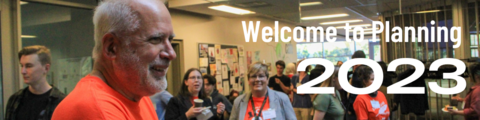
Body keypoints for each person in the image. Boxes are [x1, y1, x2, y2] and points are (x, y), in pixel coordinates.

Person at [51, 0, 176, 119]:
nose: (171, 54)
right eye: (155, 39)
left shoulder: (136, 95)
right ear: (112, 48)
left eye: (170, 40)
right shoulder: (97, 109)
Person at [5, 45, 66, 120]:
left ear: (46, 68)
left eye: (29, 66)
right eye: (22, 66)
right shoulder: (15, 99)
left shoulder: (61, 102)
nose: (22, 71)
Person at [230, 62, 296, 120]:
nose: (257, 79)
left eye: (261, 76)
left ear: (267, 79)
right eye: (253, 76)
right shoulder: (238, 102)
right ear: (248, 80)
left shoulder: (282, 99)